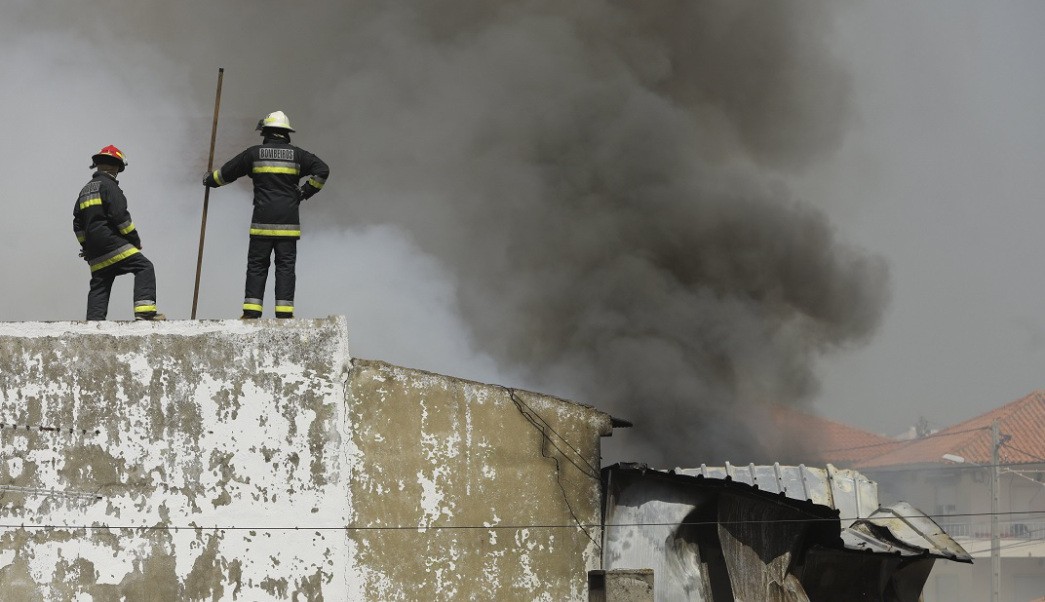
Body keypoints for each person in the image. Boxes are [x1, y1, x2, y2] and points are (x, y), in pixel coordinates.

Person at [203, 110, 330, 319]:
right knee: (285, 268)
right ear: (286, 133)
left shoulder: (254, 154)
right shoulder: (298, 156)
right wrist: (305, 192)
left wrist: (210, 180)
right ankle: (284, 314)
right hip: (289, 224)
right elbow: (323, 170)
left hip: (262, 222)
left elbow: (226, 174)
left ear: (266, 132)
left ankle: (252, 312)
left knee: (257, 266)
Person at [73, 145, 164, 321]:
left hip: (95, 251)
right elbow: (121, 218)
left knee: (100, 283)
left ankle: (94, 323)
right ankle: (145, 312)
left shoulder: (84, 191)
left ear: (97, 166)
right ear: (116, 168)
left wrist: (86, 247)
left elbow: (77, 224)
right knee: (144, 266)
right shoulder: (110, 187)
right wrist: (135, 241)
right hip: (111, 242)